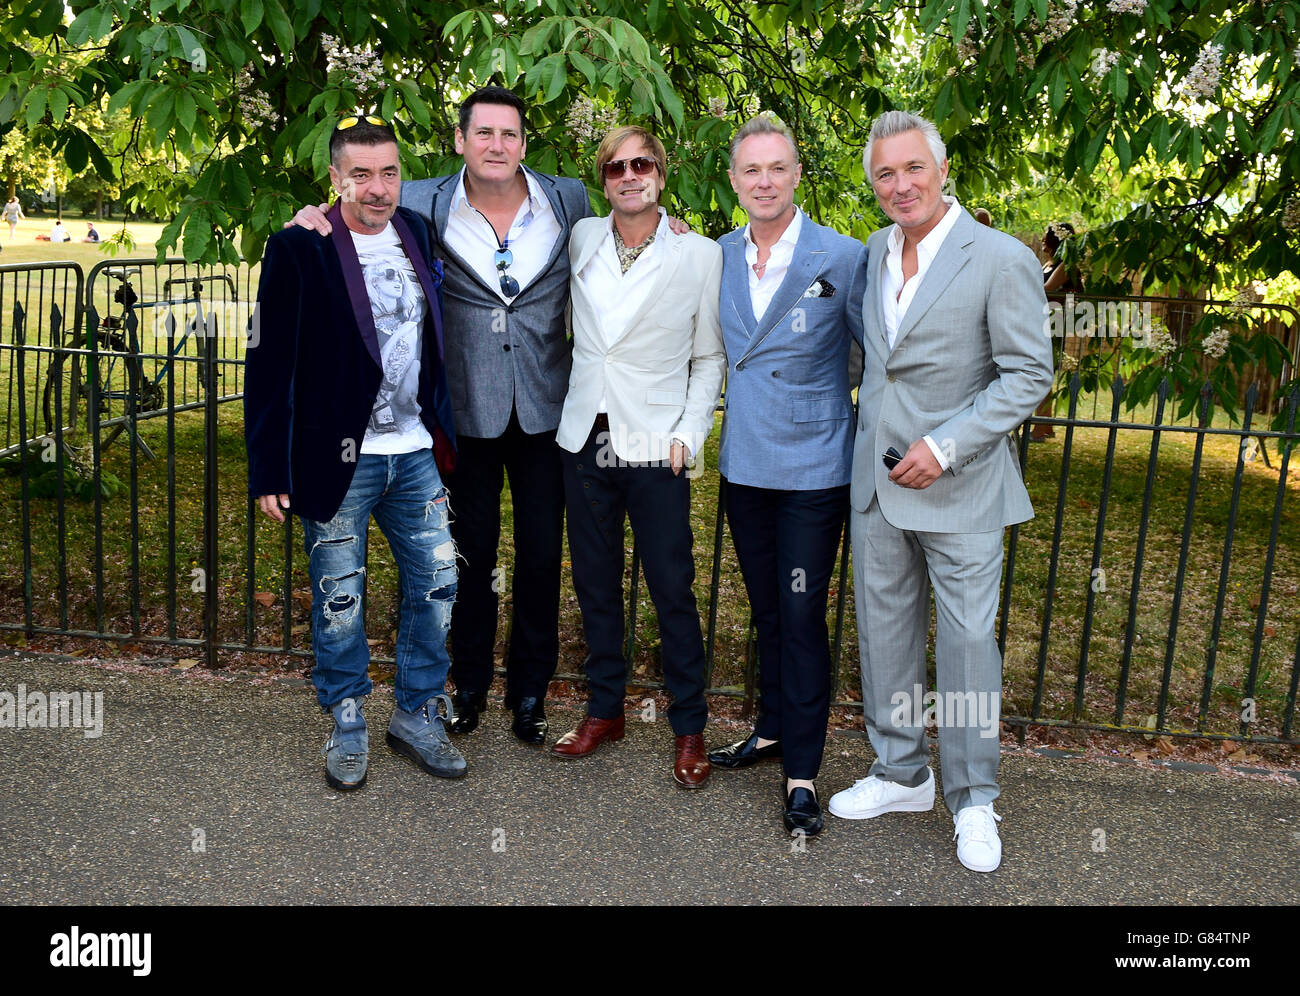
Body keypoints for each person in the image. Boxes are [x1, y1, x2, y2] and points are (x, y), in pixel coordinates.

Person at [290, 88, 595, 747]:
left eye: (509, 134)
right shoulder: (422, 201)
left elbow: (618, 241)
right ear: (460, 140)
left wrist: (668, 225)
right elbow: (357, 210)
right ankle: (469, 686)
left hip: (547, 409)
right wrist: (311, 216)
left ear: (524, 142)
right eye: (483, 132)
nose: (496, 145)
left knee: (542, 558)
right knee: (467, 557)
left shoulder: (568, 199)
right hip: (462, 413)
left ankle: (531, 692)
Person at [829, 111, 1052, 872]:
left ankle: (974, 798)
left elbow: (1029, 374)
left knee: (965, 648)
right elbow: (877, 363)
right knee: (884, 637)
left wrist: (946, 446)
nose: (900, 185)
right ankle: (901, 774)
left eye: (913, 168)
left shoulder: (1000, 258)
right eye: (885, 174)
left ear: (943, 169)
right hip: (878, 485)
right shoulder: (873, 251)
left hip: (961, 488)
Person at [245, 115, 463, 790]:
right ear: (336, 178)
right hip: (340, 457)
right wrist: (269, 467)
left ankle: (416, 713)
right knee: (339, 598)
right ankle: (346, 718)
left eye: (389, 172)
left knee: (439, 583)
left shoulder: (416, 230)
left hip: (415, 450)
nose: (377, 188)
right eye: (361, 174)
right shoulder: (299, 246)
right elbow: (267, 362)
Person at [704, 115, 866, 837]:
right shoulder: (714, 254)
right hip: (746, 462)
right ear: (734, 181)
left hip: (813, 467)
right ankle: (771, 729)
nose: (764, 181)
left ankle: (802, 773)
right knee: (768, 610)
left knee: (800, 616)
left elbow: (868, 353)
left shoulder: (845, 256)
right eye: (751, 170)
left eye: (777, 168)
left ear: (797, 174)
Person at [550, 126, 725, 789]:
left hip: (657, 444)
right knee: (594, 582)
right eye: (615, 166)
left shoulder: (698, 253)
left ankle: (689, 726)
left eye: (641, 164)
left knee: (671, 587)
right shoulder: (582, 238)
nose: (629, 175)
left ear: (660, 173)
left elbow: (708, 356)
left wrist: (690, 433)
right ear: (603, 180)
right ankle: (605, 710)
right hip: (585, 434)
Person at [1031, 221, 1081, 440]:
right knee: (1040, 373)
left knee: (1041, 373)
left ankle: (1041, 427)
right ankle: (1046, 425)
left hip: (1052, 324)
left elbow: (1046, 289)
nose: (1042, 239)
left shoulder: (1066, 265)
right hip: (1039, 321)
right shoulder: (1048, 264)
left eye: (1046, 235)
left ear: (1056, 239)